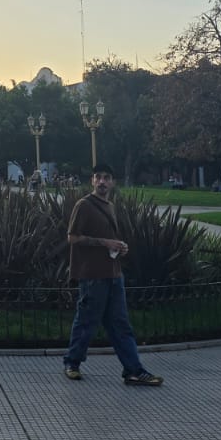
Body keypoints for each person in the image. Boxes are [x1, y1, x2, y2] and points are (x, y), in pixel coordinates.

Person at [62, 164, 164, 386]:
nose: (102, 181)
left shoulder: (110, 206)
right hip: (92, 274)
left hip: (113, 273)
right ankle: (72, 363)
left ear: (112, 182)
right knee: (87, 321)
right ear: (92, 181)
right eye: (98, 177)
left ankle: (134, 370)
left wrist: (119, 247)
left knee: (120, 325)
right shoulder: (84, 206)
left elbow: (107, 237)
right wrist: (104, 243)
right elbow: (72, 237)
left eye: (106, 178)